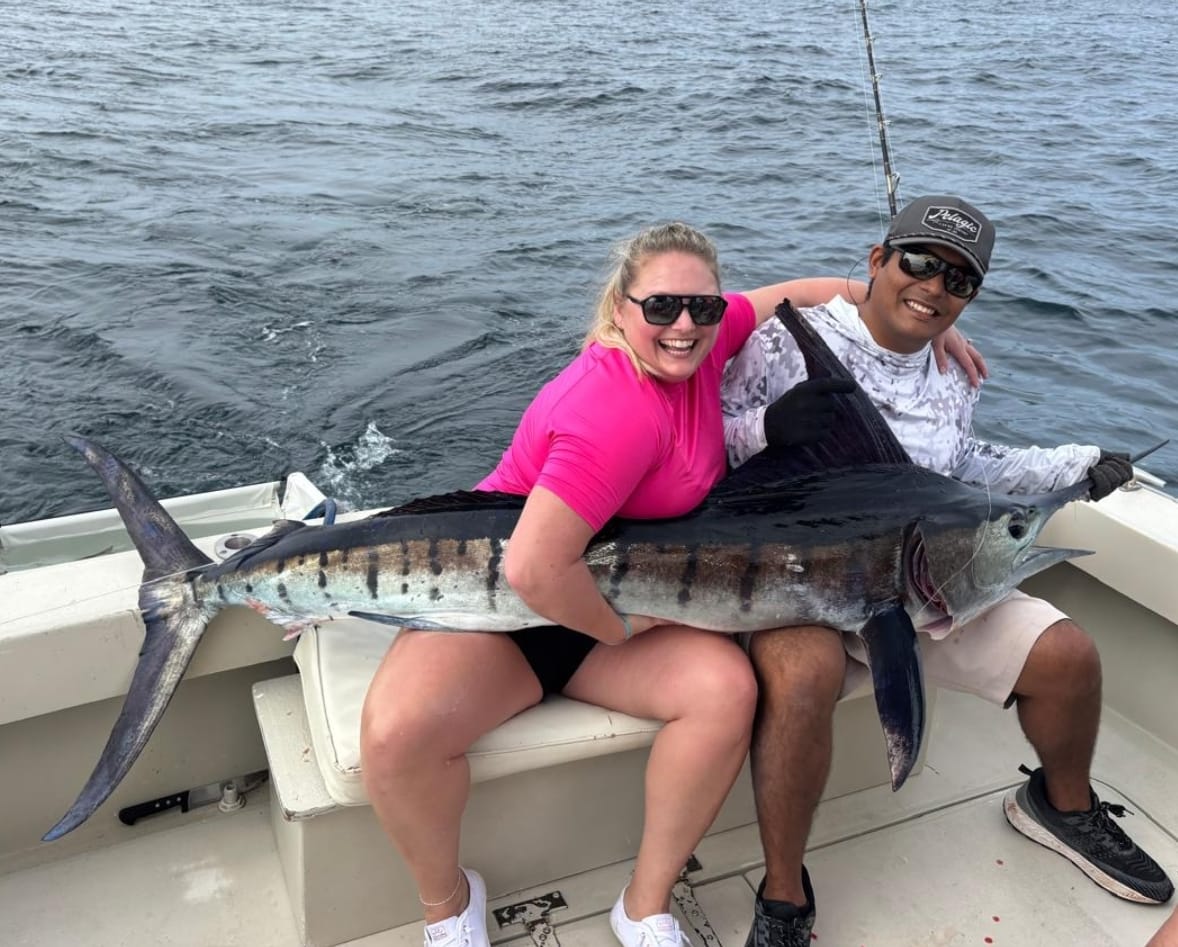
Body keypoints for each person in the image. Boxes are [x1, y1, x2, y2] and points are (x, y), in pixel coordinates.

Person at [357, 222, 871, 947]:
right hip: (510, 607)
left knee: (726, 693)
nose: (684, 326)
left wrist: (884, 305)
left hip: (612, 600)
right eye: (661, 308)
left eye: (703, 307)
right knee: (395, 736)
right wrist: (623, 630)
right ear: (621, 308)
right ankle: (448, 904)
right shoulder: (616, 408)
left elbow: (793, 293)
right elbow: (533, 570)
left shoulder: (707, 347)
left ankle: (644, 902)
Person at [721, 195, 1175, 946]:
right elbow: (704, 446)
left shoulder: (951, 371)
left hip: (921, 581)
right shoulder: (781, 343)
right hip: (805, 583)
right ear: (877, 260)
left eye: (958, 280)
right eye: (921, 262)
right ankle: (783, 895)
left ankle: (1058, 807)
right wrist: (764, 431)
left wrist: (1079, 464)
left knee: (1069, 656)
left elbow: (966, 468)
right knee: (799, 678)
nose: (934, 287)